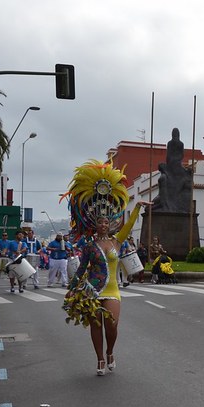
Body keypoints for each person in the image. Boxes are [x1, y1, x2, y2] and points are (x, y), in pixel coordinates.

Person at [62, 160, 148, 375]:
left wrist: (137, 207)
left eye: (106, 222)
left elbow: (127, 227)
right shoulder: (89, 246)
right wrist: (72, 287)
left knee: (111, 324)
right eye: (99, 222)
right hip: (91, 289)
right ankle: (100, 359)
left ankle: (110, 351)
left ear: (109, 224)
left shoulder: (117, 242)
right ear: (95, 225)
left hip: (112, 290)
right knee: (96, 326)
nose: (103, 225)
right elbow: (82, 269)